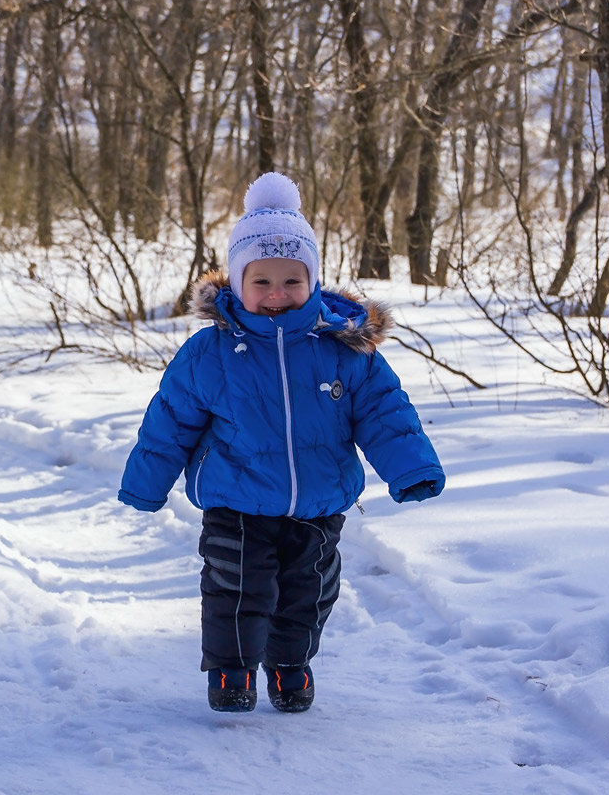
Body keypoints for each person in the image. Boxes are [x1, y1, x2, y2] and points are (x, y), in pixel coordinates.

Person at [117, 172, 445, 714]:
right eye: (261, 281)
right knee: (236, 589)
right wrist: (145, 485)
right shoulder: (210, 353)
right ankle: (231, 671)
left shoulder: (344, 350)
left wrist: (410, 468)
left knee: (307, 595)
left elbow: (386, 414)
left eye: (291, 281)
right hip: (236, 500)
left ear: (313, 280)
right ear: (238, 281)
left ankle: (291, 665)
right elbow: (169, 422)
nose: (276, 294)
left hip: (318, 502)